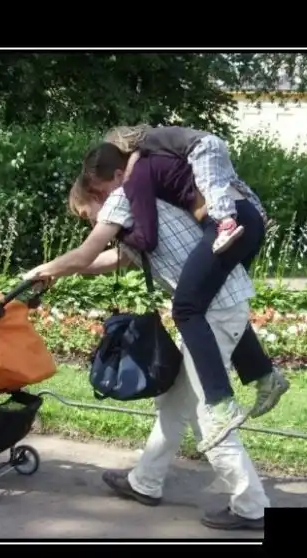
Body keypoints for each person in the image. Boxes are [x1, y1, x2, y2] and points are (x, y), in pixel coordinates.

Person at [24, 177, 270, 529]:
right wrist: (59, 272)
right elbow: (115, 259)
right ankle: (145, 481)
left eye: (85, 214)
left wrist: (44, 269)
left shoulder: (121, 200)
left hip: (215, 313)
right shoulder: (140, 208)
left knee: (209, 416)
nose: (89, 222)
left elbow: (87, 254)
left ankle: (251, 506)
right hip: (215, 310)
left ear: (97, 194)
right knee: (174, 403)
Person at [79, 135, 289, 452]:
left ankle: (222, 403)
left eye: (100, 191)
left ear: (118, 172)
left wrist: (121, 234)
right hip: (243, 218)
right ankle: (264, 376)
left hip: (231, 220)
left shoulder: (137, 177)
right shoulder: (152, 169)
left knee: (186, 308)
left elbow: (146, 238)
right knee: (209, 302)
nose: (106, 198)